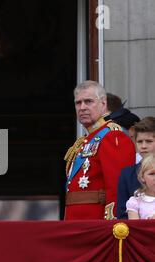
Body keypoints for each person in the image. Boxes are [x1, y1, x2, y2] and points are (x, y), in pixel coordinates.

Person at [64, 81, 136, 220]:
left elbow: (117, 187)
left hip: (96, 225)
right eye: (78, 103)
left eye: (88, 101)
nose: (82, 107)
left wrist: (113, 224)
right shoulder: (85, 140)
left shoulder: (113, 135)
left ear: (103, 104)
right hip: (77, 222)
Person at [117, 117, 155, 219]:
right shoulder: (127, 173)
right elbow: (122, 213)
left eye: (149, 141)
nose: (143, 146)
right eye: (139, 141)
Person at [126, 153, 155, 219]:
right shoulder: (135, 202)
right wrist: (149, 223)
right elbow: (135, 227)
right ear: (142, 177)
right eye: (152, 174)